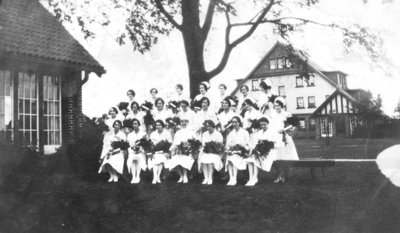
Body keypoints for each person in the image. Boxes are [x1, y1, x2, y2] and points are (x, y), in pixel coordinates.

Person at [270, 97, 299, 183]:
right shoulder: (272, 114)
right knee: (277, 157)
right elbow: (271, 126)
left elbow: (293, 125)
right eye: (275, 106)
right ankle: (279, 175)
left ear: (282, 106)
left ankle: (284, 175)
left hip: (285, 137)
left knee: (286, 156)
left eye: (279, 106)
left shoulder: (286, 114)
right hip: (275, 137)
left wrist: (285, 129)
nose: (277, 107)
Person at [247, 117, 280, 186]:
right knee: (250, 159)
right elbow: (256, 142)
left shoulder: (273, 131)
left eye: (264, 124)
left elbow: (277, 144)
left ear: (268, 123)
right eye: (261, 125)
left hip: (270, 152)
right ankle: (251, 178)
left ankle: (255, 177)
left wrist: (268, 144)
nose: (263, 126)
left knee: (255, 159)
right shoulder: (259, 132)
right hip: (260, 150)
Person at [166, 117, 196, 183]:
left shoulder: (191, 132)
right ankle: (181, 176)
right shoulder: (178, 132)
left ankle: (185, 175)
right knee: (174, 159)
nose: (184, 123)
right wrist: (171, 150)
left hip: (188, 151)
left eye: (185, 122)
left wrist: (189, 149)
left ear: (188, 123)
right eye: (182, 122)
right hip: (178, 151)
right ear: (180, 123)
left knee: (183, 159)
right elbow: (175, 143)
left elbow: (194, 142)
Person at [225, 116, 250, 186]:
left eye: (236, 122)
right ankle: (231, 178)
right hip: (233, 151)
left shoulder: (245, 132)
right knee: (229, 159)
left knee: (233, 158)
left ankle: (234, 178)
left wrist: (240, 146)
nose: (234, 123)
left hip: (241, 152)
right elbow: (228, 143)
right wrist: (231, 148)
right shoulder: (231, 133)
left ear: (239, 123)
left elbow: (247, 143)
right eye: (233, 122)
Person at [199, 120, 224, 185]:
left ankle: (210, 178)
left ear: (213, 126)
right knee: (203, 161)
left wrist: (213, 145)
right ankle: (206, 178)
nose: (208, 128)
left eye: (209, 126)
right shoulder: (204, 134)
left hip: (215, 153)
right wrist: (208, 146)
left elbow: (219, 144)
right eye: (207, 126)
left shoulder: (218, 134)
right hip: (206, 152)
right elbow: (203, 143)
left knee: (210, 162)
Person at [149, 120, 173, 184]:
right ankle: (155, 177)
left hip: (163, 152)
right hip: (155, 152)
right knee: (155, 159)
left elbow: (170, 144)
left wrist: (167, 152)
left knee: (161, 159)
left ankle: (157, 177)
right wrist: (152, 153)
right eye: (157, 125)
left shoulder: (167, 133)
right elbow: (150, 145)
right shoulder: (153, 134)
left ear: (162, 126)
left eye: (159, 125)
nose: (158, 126)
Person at [127, 118, 148, 184]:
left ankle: (138, 176)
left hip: (141, 151)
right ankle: (134, 176)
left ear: (139, 124)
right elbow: (129, 145)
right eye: (133, 124)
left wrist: (140, 149)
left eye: (136, 124)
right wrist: (133, 149)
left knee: (138, 158)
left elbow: (146, 144)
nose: (134, 125)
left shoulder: (143, 134)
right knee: (132, 158)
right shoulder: (130, 135)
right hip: (132, 151)